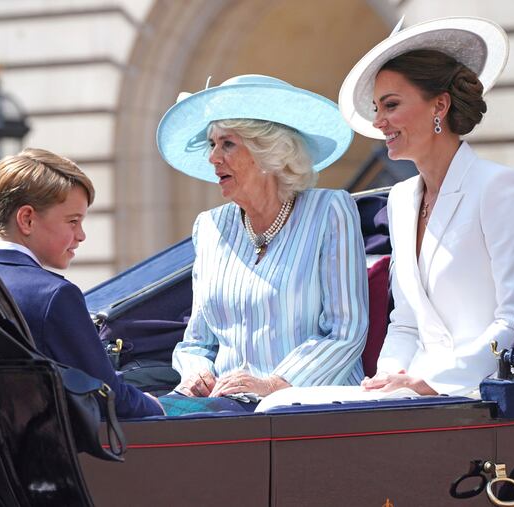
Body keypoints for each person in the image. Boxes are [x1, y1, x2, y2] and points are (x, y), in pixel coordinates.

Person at [337, 17, 514, 396]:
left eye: (391, 105)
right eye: (376, 107)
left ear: (440, 106)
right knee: (281, 407)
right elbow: (405, 324)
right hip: (412, 395)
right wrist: (387, 382)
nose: (379, 121)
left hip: (477, 393)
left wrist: (430, 383)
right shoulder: (399, 200)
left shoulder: (498, 187)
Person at [156, 74, 369, 400]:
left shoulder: (330, 211)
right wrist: (196, 372)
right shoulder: (209, 227)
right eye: (212, 145)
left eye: (227, 144)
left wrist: (275, 386)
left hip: (313, 407)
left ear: (270, 153)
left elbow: (346, 331)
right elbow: (197, 342)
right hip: (230, 411)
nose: (213, 157)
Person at [0, 147, 163, 417]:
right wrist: (159, 405)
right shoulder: (54, 295)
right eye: (72, 221)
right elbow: (107, 397)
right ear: (27, 219)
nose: (81, 235)